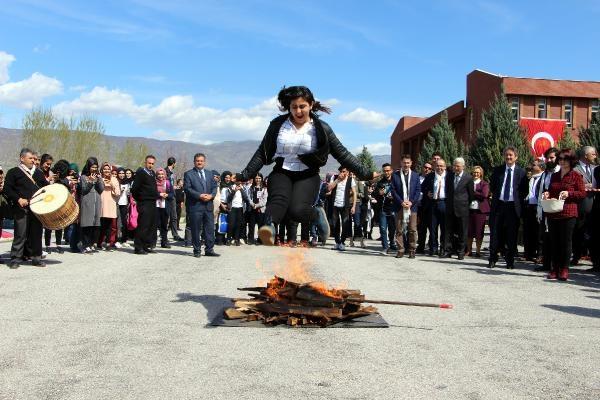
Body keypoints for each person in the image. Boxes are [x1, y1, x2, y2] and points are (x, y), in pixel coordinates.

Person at [236, 86, 376, 246]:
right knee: (278, 201)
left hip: (308, 175)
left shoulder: (321, 128)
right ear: (289, 107)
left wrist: (366, 173)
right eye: (294, 107)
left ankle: (316, 215)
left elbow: (342, 153)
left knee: (297, 209)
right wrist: (244, 175)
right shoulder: (277, 125)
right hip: (282, 171)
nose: (298, 111)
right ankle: (268, 227)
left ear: (311, 105)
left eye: (302, 106)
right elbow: (262, 152)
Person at [543, 148, 586, 280]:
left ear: (571, 160)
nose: (561, 161)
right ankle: (554, 269)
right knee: (554, 242)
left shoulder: (576, 175)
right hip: (554, 212)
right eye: (560, 159)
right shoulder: (555, 175)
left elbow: (582, 193)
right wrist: (547, 194)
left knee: (565, 242)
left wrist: (570, 193)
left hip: (568, 212)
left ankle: (564, 269)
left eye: (564, 159)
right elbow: (551, 190)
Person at [3, 148, 49, 268]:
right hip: (21, 208)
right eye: (30, 158)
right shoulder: (14, 172)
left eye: (34, 158)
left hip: (37, 208)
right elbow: (7, 189)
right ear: (22, 158)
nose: (33, 161)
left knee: (36, 234)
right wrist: (18, 199)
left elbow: (46, 189)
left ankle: (36, 258)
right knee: (20, 234)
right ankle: (15, 259)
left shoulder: (38, 173)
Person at [488, 147, 527, 269]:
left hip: (512, 207)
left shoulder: (521, 172)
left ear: (516, 157)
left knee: (511, 235)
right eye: (506, 155)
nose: (508, 157)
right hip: (499, 205)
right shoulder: (498, 170)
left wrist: (516, 200)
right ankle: (493, 258)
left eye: (511, 155)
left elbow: (524, 190)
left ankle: (510, 260)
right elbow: (493, 187)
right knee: (495, 233)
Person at [183, 153, 220, 257]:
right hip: (195, 206)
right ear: (194, 162)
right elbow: (187, 188)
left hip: (208, 205)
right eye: (197, 161)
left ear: (204, 162)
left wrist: (211, 196)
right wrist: (199, 195)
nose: (199, 162)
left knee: (209, 228)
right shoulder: (188, 174)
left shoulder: (209, 174)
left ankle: (209, 250)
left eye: (201, 161)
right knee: (195, 229)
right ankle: (197, 250)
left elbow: (214, 187)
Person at [442, 157, 474, 260]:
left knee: (462, 232)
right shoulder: (449, 176)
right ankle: (448, 251)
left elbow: (471, 195)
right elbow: (447, 190)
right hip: (450, 208)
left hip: (462, 209)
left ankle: (461, 252)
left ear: (463, 166)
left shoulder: (468, 178)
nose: (455, 167)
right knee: (448, 231)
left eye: (458, 166)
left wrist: (465, 204)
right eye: (454, 165)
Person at [534, 147, 560, 271]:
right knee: (545, 236)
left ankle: (556, 265)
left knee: (556, 238)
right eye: (547, 158)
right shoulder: (545, 173)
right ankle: (546, 263)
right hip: (545, 209)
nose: (549, 160)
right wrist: (539, 210)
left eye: (552, 157)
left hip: (558, 209)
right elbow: (540, 192)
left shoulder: (561, 172)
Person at [390, 154, 420, 259]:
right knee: (399, 230)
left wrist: (411, 202)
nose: (406, 164)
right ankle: (400, 250)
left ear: (411, 163)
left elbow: (417, 191)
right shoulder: (395, 175)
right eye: (404, 162)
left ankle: (412, 250)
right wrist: (401, 202)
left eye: (408, 163)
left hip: (412, 207)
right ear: (401, 163)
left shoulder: (416, 176)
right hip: (399, 206)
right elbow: (393, 191)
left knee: (412, 229)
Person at [571, 146, 597, 265]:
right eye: (593, 154)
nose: (595, 156)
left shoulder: (595, 169)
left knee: (593, 233)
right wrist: (585, 186)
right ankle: (576, 256)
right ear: (586, 155)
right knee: (578, 232)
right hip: (581, 206)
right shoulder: (575, 170)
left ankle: (594, 259)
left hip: (595, 206)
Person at [131, 155, 159, 255]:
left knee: (151, 225)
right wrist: (140, 199)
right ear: (145, 162)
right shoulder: (141, 173)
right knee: (143, 225)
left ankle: (146, 245)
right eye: (149, 163)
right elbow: (134, 189)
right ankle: (138, 247)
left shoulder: (152, 173)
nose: (150, 165)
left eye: (152, 163)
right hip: (144, 203)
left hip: (152, 203)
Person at [421, 158, 448, 256]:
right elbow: (422, 187)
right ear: (434, 167)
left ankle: (443, 249)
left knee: (444, 229)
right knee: (433, 228)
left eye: (441, 166)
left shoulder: (449, 176)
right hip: (433, 204)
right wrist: (427, 192)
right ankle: (433, 248)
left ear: (444, 167)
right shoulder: (430, 176)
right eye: (437, 165)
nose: (439, 167)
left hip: (444, 203)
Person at [79, 157, 104, 254]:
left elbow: (101, 190)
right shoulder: (83, 177)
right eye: (92, 167)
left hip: (96, 202)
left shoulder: (98, 177)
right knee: (87, 224)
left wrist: (99, 180)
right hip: (87, 202)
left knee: (95, 225)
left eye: (96, 167)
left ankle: (90, 244)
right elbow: (83, 190)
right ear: (88, 166)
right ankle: (84, 245)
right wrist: (90, 182)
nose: (94, 169)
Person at [327, 166, 356, 251]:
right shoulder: (334, 177)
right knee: (335, 224)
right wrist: (337, 180)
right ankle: (337, 242)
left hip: (345, 205)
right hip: (335, 205)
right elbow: (329, 188)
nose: (342, 173)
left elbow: (354, 193)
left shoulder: (351, 179)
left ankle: (342, 242)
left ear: (347, 172)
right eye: (340, 171)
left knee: (345, 224)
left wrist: (354, 206)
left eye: (343, 171)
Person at [522, 160, 544, 261]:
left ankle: (540, 254)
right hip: (529, 206)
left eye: (534, 165)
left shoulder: (543, 177)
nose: (532, 166)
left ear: (541, 167)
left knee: (539, 232)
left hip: (539, 207)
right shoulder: (530, 178)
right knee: (528, 231)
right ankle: (528, 253)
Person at [466, 166, 490, 258]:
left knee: (479, 232)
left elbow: (484, 195)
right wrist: (476, 192)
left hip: (480, 211)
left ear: (481, 174)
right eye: (474, 172)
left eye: (478, 172)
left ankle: (478, 251)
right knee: (469, 231)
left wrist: (472, 192)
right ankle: (469, 250)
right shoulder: (469, 182)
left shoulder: (484, 184)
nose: (476, 174)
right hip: (469, 210)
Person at [97, 163, 121, 251]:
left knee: (110, 226)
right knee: (101, 225)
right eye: (104, 169)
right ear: (102, 170)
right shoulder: (99, 179)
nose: (106, 171)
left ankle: (109, 243)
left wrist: (111, 185)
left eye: (108, 169)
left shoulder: (114, 179)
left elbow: (118, 193)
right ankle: (99, 242)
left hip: (111, 204)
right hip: (101, 204)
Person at [374, 163, 396, 253]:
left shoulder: (396, 181)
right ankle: (385, 247)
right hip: (383, 209)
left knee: (392, 229)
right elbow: (375, 195)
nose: (386, 172)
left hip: (393, 208)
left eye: (388, 170)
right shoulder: (380, 182)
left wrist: (394, 197)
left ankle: (392, 243)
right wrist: (379, 194)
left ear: (391, 170)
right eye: (385, 171)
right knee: (383, 228)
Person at [225, 175, 250, 246]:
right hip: (232, 208)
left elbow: (246, 199)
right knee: (231, 224)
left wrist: (241, 190)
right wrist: (234, 191)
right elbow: (228, 199)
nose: (239, 182)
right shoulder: (230, 187)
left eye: (240, 180)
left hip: (240, 208)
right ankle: (229, 239)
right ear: (235, 180)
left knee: (238, 224)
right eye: (237, 180)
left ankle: (237, 239)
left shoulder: (243, 188)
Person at [416, 162, 433, 254]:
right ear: (422, 168)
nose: (427, 169)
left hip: (429, 207)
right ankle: (420, 246)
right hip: (418, 206)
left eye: (429, 168)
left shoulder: (432, 178)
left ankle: (431, 246)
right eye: (425, 167)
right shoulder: (416, 177)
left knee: (432, 228)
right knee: (421, 228)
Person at [165, 157, 183, 241]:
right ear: (174, 164)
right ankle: (164, 235)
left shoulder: (171, 173)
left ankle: (175, 234)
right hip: (167, 196)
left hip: (172, 196)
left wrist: (174, 187)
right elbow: (165, 184)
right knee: (166, 216)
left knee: (174, 216)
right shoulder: (165, 172)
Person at [154, 168, 173, 249]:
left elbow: (172, 194)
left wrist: (167, 195)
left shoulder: (168, 183)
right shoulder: (153, 183)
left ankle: (164, 242)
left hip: (165, 206)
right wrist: (159, 194)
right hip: (156, 206)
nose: (161, 176)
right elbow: (152, 193)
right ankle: (152, 242)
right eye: (159, 174)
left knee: (164, 225)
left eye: (162, 174)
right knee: (155, 224)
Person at [247, 173, 268, 244]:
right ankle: (250, 239)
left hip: (260, 209)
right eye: (256, 178)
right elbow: (249, 198)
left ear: (261, 179)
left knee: (260, 225)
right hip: (252, 209)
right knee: (251, 225)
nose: (258, 180)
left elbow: (264, 200)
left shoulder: (264, 189)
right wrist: (253, 204)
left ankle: (260, 240)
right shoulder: (251, 187)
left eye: (259, 178)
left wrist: (257, 205)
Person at [116, 168, 132, 247]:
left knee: (124, 222)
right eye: (120, 173)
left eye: (123, 173)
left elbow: (128, 194)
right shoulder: (116, 182)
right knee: (117, 223)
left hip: (124, 204)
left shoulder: (127, 183)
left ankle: (124, 239)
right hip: (117, 204)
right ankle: (116, 240)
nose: (122, 175)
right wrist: (120, 191)